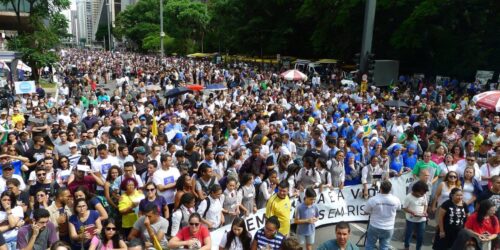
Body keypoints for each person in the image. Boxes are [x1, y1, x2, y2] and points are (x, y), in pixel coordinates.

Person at [364, 180, 401, 250]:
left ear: (380, 188)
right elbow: (398, 209)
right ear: (390, 189)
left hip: (374, 226)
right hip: (388, 227)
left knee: (370, 245)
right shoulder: (396, 200)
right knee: (384, 247)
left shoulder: (373, 199)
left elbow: (365, 211)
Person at [403, 180, 429, 250]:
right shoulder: (409, 197)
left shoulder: (424, 195)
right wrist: (412, 212)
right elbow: (404, 208)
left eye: (424, 193)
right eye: (420, 193)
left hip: (422, 219)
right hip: (411, 219)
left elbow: (425, 204)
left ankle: (418, 248)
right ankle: (406, 246)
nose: (422, 194)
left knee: (420, 236)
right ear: (415, 191)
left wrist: (425, 211)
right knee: (409, 234)